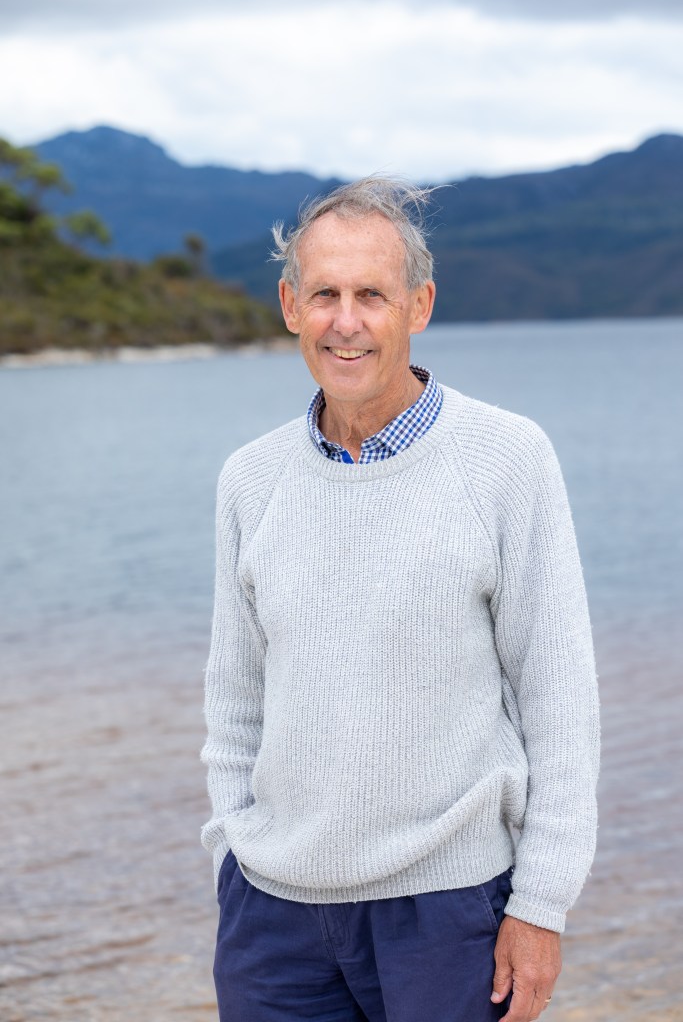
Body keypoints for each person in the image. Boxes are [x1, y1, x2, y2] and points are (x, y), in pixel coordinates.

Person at [200, 177, 600, 1022]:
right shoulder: (249, 479)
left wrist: (541, 904)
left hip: (446, 913)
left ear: (418, 306)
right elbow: (234, 702)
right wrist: (230, 853)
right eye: (324, 295)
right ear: (289, 306)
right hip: (271, 918)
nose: (345, 322)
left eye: (371, 296)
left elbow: (557, 699)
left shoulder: (507, 459)